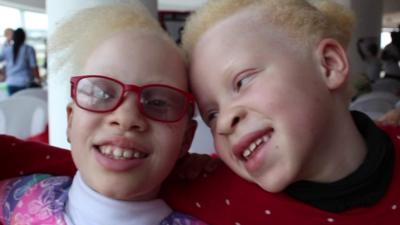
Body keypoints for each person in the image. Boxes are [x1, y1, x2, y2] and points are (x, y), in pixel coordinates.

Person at [2, 0, 400, 224]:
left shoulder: (210, 196)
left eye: (242, 80)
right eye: (211, 114)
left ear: (329, 65)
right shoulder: (210, 189)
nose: (224, 121)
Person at [0, 3, 206, 225]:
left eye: (157, 102)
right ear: (71, 120)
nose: (126, 118)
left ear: (186, 139)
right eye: (102, 93)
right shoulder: (14, 195)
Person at [0, 28, 41, 95]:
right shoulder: (29, 49)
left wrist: (1, 73)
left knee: (13, 104)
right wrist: (38, 79)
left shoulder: (7, 49)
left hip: (11, 82)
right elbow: (34, 66)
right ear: (24, 37)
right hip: (25, 83)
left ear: (14, 37)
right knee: (24, 104)